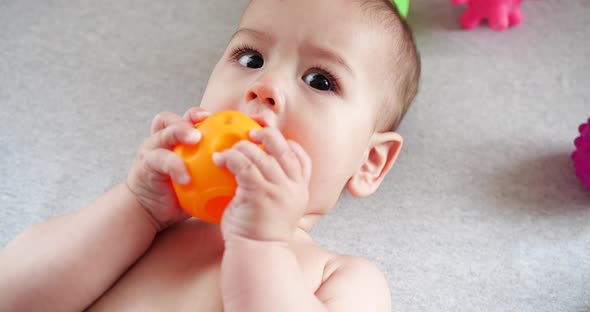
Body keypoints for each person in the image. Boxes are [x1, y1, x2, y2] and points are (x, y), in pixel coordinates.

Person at [0, 0, 420, 310]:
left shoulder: (343, 278)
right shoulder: (144, 229)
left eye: (320, 80)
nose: (266, 84)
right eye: (251, 57)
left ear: (370, 162)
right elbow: (14, 294)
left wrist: (262, 247)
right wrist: (136, 206)